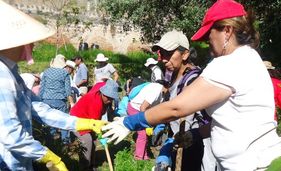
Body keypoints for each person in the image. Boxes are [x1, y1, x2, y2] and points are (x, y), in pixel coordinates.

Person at [102, 0, 281, 170]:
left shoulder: (229, 64)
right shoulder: (250, 58)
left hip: (256, 166)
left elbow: (177, 107)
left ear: (227, 30)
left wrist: (130, 122)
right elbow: (236, 120)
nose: (208, 42)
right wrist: (197, 134)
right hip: (264, 162)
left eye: (210, 34)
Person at [0, 1, 107, 170]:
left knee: (50, 133)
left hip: (20, 161)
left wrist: (80, 123)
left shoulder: (12, 72)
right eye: (29, 40)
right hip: (7, 164)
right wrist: (46, 155)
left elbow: (39, 108)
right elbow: (9, 134)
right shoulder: (2, 76)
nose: (33, 45)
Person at [151, 30, 215, 171]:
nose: (164, 59)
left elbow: (181, 112)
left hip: (191, 145)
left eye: (169, 54)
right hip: (179, 142)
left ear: (185, 54)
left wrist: (137, 121)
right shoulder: (175, 75)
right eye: (162, 54)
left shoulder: (192, 80)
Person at [70, 79, 119, 171]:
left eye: (111, 98)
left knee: (93, 140)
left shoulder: (101, 88)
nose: (109, 100)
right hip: (77, 119)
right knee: (88, 141)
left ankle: (92, 164)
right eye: (108, 97)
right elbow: (95, 124)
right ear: (102, 92)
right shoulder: (96, 103)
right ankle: (85, 167)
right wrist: (102, 135)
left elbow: (99, 83)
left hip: (89, 118)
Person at [127, 81, 169, 160]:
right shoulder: (156, 91)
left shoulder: (162, 92)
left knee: (145, 134)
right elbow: (143, 107)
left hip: (141, 109)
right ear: (168, 87)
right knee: (142, 133)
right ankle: (138, 157)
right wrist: (145, 123)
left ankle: (144, 155)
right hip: (135, 108)